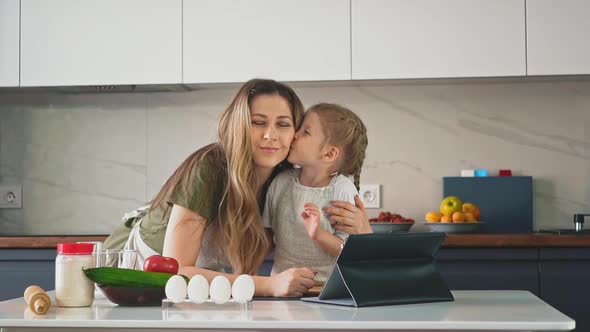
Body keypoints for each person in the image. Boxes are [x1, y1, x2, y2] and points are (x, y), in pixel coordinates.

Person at [103, 79, 371, 297]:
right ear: (240, 124)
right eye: (258, 122)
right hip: (134, 270)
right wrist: (268, 285)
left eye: (283, 124)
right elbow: (176, 270)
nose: (270, 135)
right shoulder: (210, 167)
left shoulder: (284, 176)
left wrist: (362, 233)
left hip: (194, 288)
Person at [262, 103, 369, 282]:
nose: (295, 134)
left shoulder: (341, 190)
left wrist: (318, 234)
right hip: (281, 288)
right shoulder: (280, 182)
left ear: (329, 154)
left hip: (328, 292)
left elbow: (346, 252)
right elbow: (266, 238)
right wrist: (245, 269)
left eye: (306, 132)